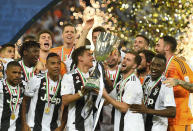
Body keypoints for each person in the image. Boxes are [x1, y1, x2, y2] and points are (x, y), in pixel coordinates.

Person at [155, 35, 193, 131]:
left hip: (179, 120)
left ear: (167, 47)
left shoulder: (179, 63)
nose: (155, 48)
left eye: (158, 45)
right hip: (163, 119)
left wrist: (179, 82)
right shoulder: (159, 65)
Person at [100, 51, 144, 131]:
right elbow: (107, 101)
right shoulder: (121, 82)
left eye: (128, 60)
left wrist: (105, 94)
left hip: (131, 127)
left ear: (134, 66)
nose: (124, 61)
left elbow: (124, 107)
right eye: (124, 58)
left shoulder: (132, 83)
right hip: (121, 125)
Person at [130, 54, 176, 131]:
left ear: (164, 68)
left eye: (158, 65)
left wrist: (147, 110)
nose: (154, 68)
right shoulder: (147, 79)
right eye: (153, 64)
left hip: (157, 126)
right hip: (143, 124)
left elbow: (172, 112)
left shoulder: (166, 85)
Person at [22, 53, 64, 131]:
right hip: (34, 127)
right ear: (47, 65)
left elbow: (63, 107)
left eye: (58, 63)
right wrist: (24, 123)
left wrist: (61, 126)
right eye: (53, 63)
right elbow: (24, 101)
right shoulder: (36, 79)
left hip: (54, 128)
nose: (56, 66)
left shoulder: (63, 83)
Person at [61, 46, 94, 131]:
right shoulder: (69, 76)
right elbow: (65, 100)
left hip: (91, 125)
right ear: (80, 58)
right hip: (75, 126)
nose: (92, 57)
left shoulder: (94, 76)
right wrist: (81, 94)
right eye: (89, 55)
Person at [0, 61, 27, 131]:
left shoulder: (24, 86)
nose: (17, 75)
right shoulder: (0, 85)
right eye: (14, 72)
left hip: (17, 128)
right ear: (6, 72)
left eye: (19, 73)